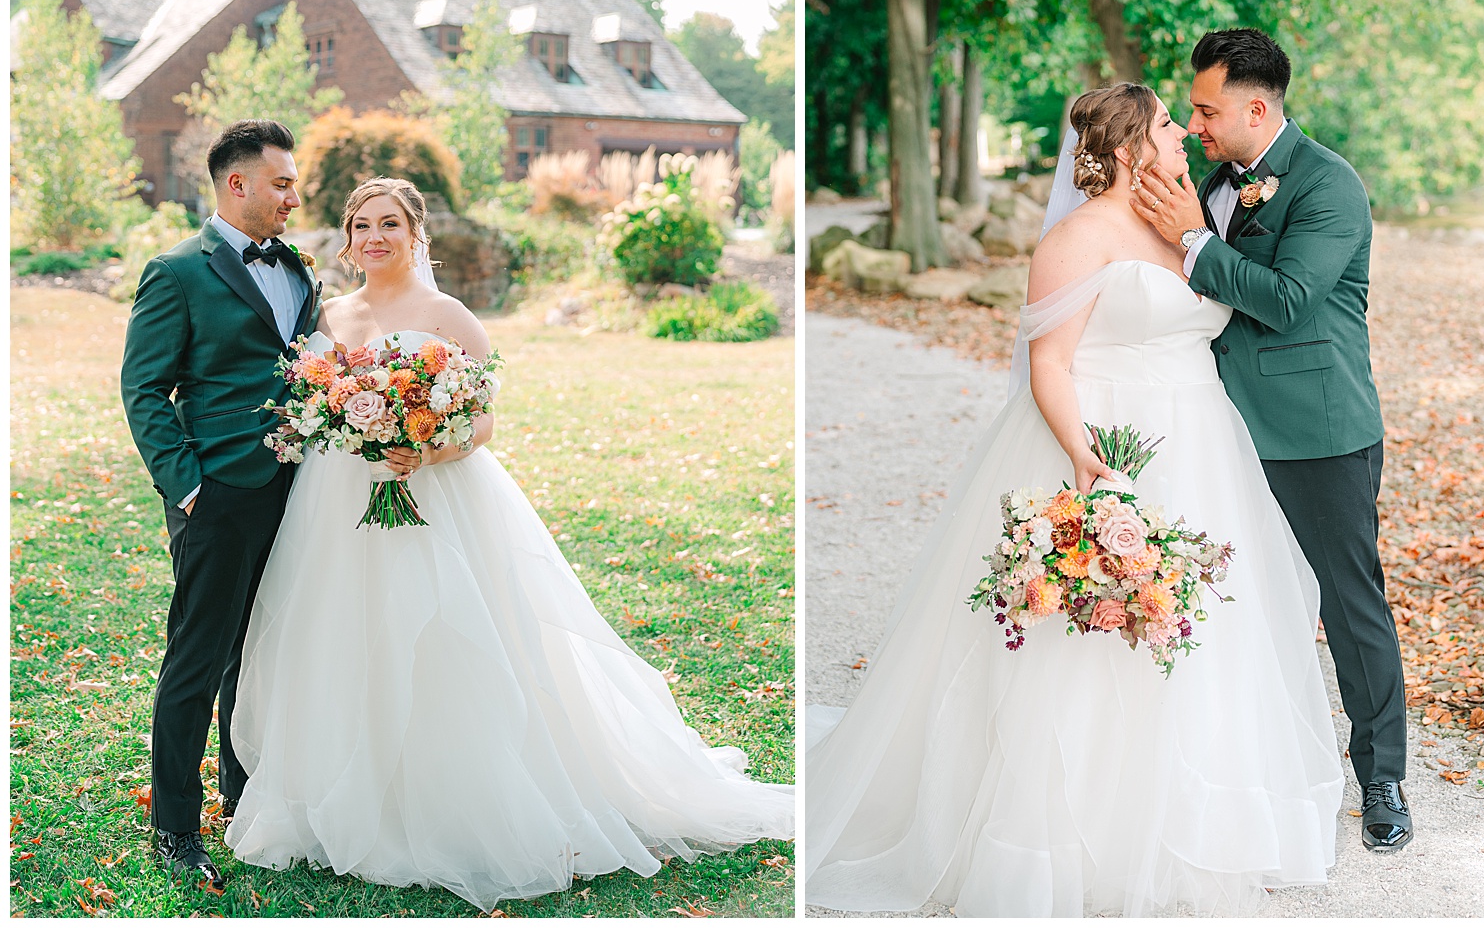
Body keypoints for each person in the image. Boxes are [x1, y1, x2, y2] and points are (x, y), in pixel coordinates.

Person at [805, 82, 1343, 917]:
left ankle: (1204, 822)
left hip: (1201, 441)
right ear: (1129, 148)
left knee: (1205, 630)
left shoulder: (1186, 218)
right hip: (1107, 443)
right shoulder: (1074, 238)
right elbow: (1050, 364)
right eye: (1170, 124)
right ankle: (1068, 829)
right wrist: (1086, 458)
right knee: (1083, 637)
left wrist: (1197, 236)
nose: (1184, 135)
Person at [224, 178, 793, 911]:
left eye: (390, 224)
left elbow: (483, 419)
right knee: (347, 636)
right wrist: (348, 423)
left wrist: (423, 452)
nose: (375, 237)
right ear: (348, 236)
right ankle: (348, 795)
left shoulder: (447, 314)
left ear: (414, 231)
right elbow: (312, 399)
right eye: (362, 225)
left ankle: (446, 798)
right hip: (338, 500)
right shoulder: (330, 314)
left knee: (446, 639)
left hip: (437, 498)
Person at [1131, 28, 1410, 853]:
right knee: (1226, 604)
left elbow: (1287, 299)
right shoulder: (1208, 185)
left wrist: (1193, 241)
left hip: (1317, 433)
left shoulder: (1330, 185)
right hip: (1217, 433)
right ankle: (1239, 771)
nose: (1195, 121)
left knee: (1350, 603)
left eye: (1207, 108)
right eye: (1191, 107)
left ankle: (1382, 776)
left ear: (1258, 107)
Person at [120, 119, 322, 890]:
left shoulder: (300, 268)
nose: (293, 196)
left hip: (296, 493)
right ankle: (174, 822)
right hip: (218, 494)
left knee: (259, 652)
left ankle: (243, 798)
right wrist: (188, 484)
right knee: (198, 656)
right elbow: (144, 388)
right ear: (236, 184)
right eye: (281, 182)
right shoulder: (176, 272)